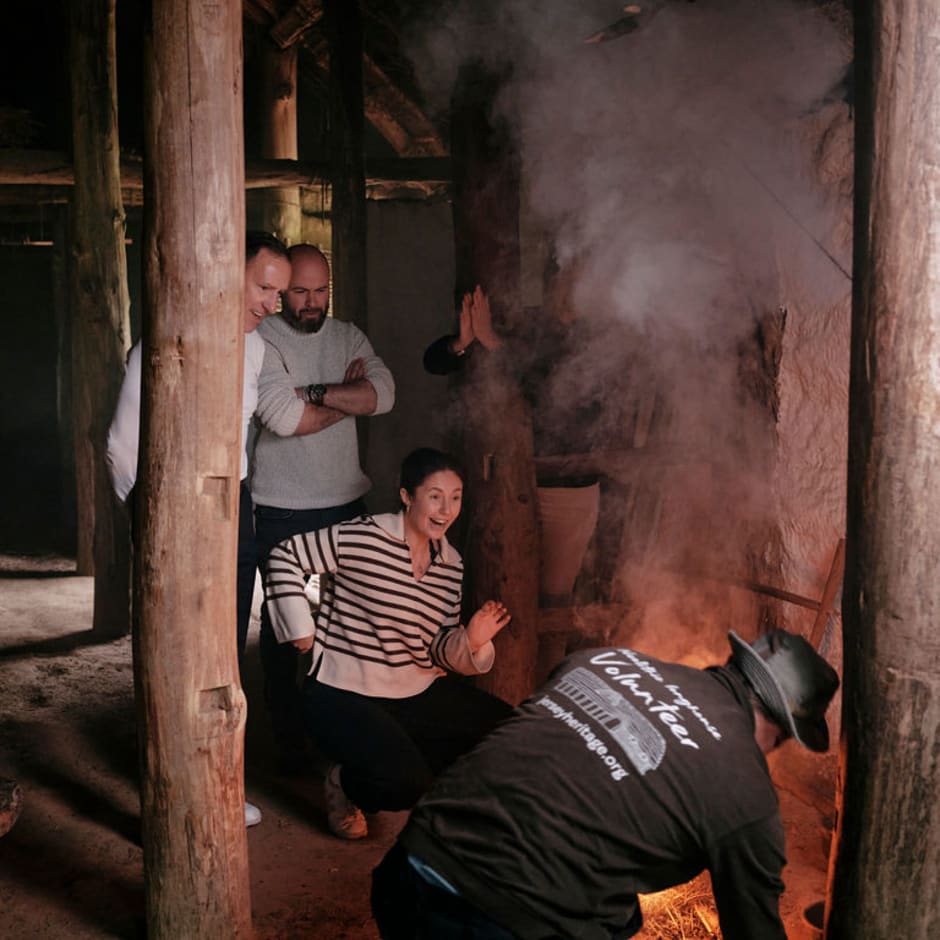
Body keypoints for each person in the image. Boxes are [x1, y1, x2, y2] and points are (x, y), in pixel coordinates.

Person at [371, 627, 841, 940]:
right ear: (779, 731)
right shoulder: (747, 792)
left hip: (408, 864)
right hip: (496, 919)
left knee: (620, 917)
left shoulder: (601, 660)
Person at [106, 230, 292, 828]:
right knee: (177, 656)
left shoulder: (258, 350)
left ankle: (219, 790)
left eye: (280, 294)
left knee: (225, 657)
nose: (272, 304)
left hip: (231, 505)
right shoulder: (161, 344)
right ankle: (167, 799)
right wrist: (151, 525)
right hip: (171, 510)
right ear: (227, 272)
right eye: (265, 287)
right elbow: (119, 449)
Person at [262, 447, 515, 840]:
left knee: (506, 730)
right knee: (404, 785)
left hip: (412, 689)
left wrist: (472, 641)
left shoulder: (451, 564)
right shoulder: (363, 535)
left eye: (456, 497)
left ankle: (409, 767)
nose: (446, 509)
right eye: (435, 495)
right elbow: (285, 554)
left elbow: (437, 649)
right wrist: (300, 626)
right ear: (406, 496)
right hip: (341, 692)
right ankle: (345, 783)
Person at [251, 243, 395, 775]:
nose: (312, 303)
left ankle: (345, 737)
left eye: (320, 291)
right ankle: (289, 739)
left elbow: (385, 395)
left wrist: (313, 392)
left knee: (353, 622)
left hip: (346, 501)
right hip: (281, 507)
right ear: (282, 289)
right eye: (300, 292)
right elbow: (284, 419)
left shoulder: (347, 335)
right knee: (285, 627)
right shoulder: (263, 337)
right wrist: (346, 395)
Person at [423, 285, 501, 375]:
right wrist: (461, 342)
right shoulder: (470, 365)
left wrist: (490, 339)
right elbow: (430, 363)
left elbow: (519, 359)